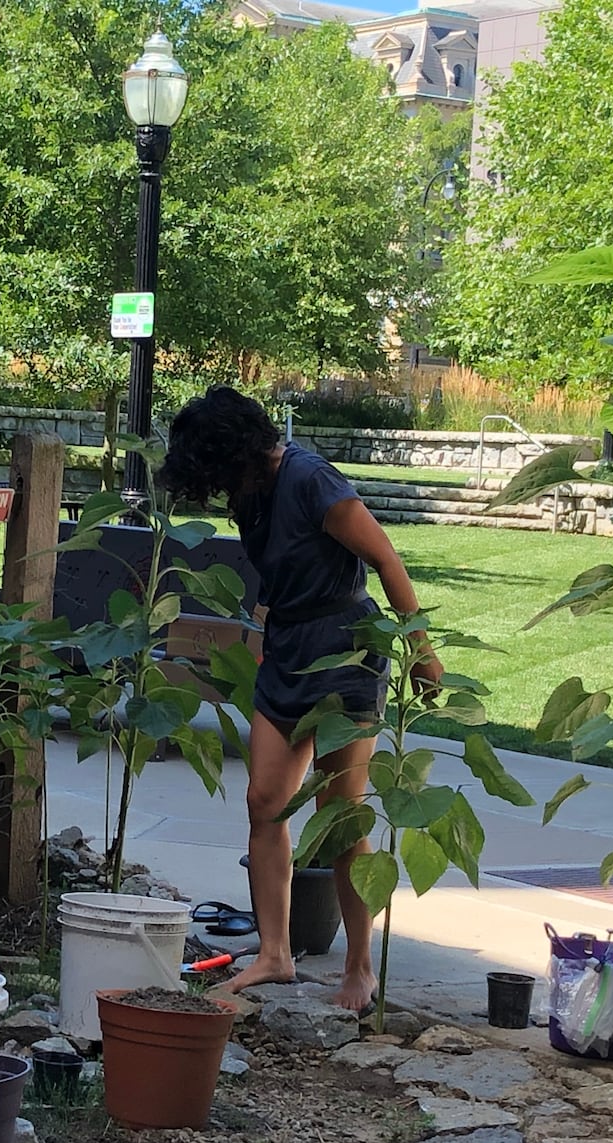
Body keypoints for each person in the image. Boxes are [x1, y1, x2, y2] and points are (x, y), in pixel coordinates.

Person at [158, 385, 442, 1012]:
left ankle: (360, 970)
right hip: (286, 648)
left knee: (343, 817)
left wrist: (421, 650)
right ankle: (275, 954)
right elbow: (281, 567)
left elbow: (387, 562)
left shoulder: (314, 481)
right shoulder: (249, 493)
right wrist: (262, 622)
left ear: (237, 452)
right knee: (265, 799)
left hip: (344, 651)